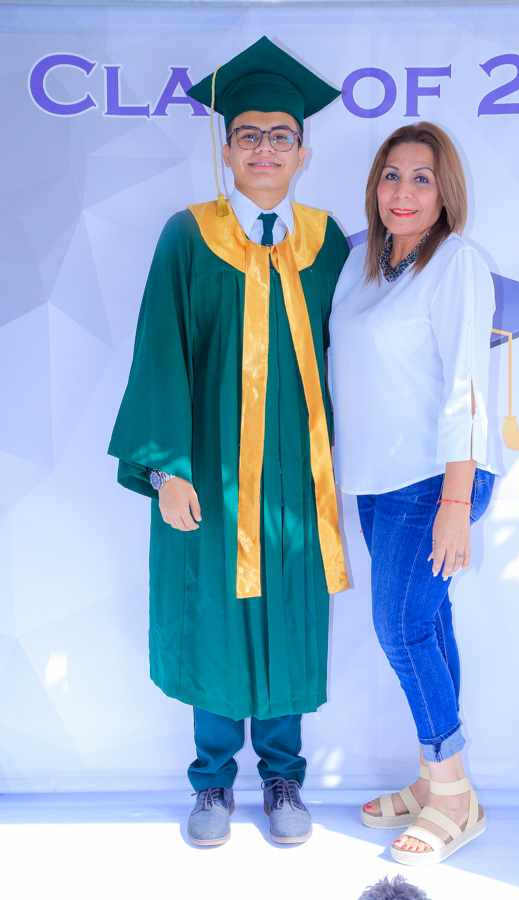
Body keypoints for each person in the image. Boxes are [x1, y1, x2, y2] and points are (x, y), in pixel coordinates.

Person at [108, 36, 350, 847]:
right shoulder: (188, 235)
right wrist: (166, 472)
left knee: (287, 617)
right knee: (213, 614)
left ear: (303, 153)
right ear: (226, 149)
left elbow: (354, 352)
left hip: (295, 480)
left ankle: (283, 777)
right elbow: (160, 352)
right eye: (248, 135)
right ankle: (212, 780)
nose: (264, 149)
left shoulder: (326, 241)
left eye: (281, 136)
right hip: (208, 474)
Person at [329, 122, 498, 865]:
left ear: (445, 192)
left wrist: (456, 505)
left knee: (400, 629)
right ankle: (436, 782)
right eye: (391, 175)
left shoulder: (456, 262)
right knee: (425, 623)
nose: (403, 191)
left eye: (421, 178)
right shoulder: (361, 263)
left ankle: (454, 798)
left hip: (435, 479)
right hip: (376, 479)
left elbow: (467, 387)